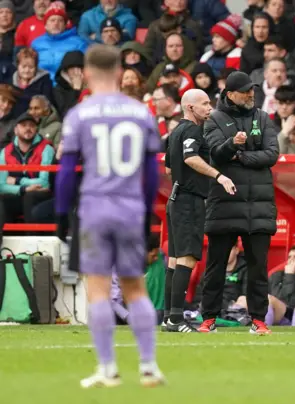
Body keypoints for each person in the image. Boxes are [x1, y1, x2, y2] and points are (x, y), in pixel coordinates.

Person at [54, 44, 165, 388]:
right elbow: (151, 172)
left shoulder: (79, 114)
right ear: (120, 72)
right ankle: (148, 365)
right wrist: (146, 211)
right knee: (135, 288)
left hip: (94, 208)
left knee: (99, 288)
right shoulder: (141, 113)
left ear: (86, 74)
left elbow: (68, 171)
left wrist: (62, 213)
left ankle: (107, 368)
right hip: (130, 207)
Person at [199, 71, 279, 335]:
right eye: (245, 90)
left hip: (259, 205)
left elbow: (272, 155)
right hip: (225, 202)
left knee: (258, 268)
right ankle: (209, 318)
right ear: (230, 94)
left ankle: (258, 319)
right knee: (216, 266)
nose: (250, 94)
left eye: (251, 90)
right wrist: (232, 145)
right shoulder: (213, 120)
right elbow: (216, 155)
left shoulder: (263, 118)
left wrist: (241, 157)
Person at [163, 88, 236, 333]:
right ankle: (176, 319)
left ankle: (168, 316)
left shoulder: (174, 132)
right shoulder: (193, 130)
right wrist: (218, 176)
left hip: (174, 198)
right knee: (187, 258)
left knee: (174, 260)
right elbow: (190, 158)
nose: (210, 108)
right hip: (188, 200)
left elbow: (167, 168)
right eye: (204, 104)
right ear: (190, 107)